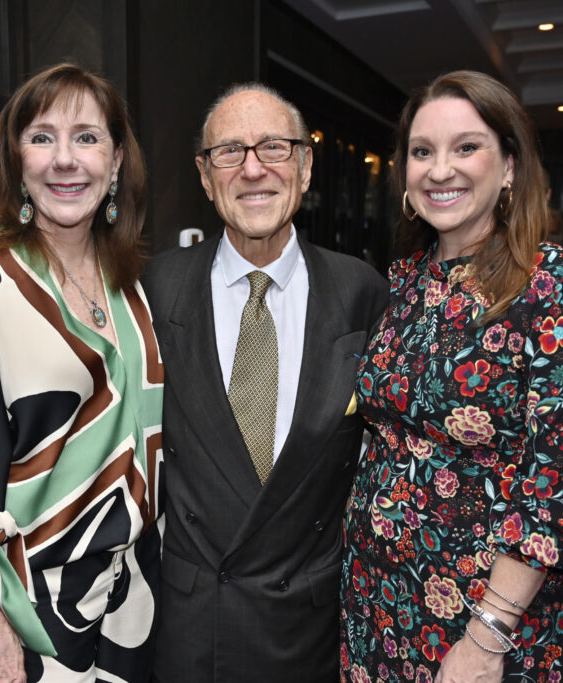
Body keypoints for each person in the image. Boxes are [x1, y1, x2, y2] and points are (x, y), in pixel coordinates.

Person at [341, 71, 563, 682]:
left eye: (466, 147)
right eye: (423, 152)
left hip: (486, 622)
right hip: (375, 603)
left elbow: (558, 489)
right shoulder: (403, 283)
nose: (441, 169)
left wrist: (489, 636)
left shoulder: (562, 289)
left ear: (511, 167)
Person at [0, 64, 163, 682]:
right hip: (29, 612)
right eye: (42, 137)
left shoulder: (129, 284)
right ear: (16, 159)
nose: (64, 160)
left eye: (87, 137)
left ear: (117, 160)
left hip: (135, 600)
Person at [143, 83, 388, 682]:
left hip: (310, 624)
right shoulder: (153, 290)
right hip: (191, 624)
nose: (253, 169)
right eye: (229, 152)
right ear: (205, 177)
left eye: (273, 148)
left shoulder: (362, 290)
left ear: (304, 168)